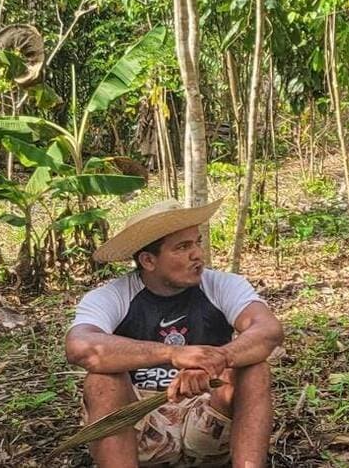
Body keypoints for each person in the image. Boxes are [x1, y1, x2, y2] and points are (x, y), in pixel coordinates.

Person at [65, 199, 284, 468]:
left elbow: (267, 329)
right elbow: (81, 346)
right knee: (101, 381)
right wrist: (174, 354)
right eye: (182, 247)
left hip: (207, 421)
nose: (197, 255)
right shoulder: (113, 296)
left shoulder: (222, 285)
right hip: (141, 427)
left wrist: (216, 360)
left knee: (254, 368)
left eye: (197, 242)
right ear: (148, 260)